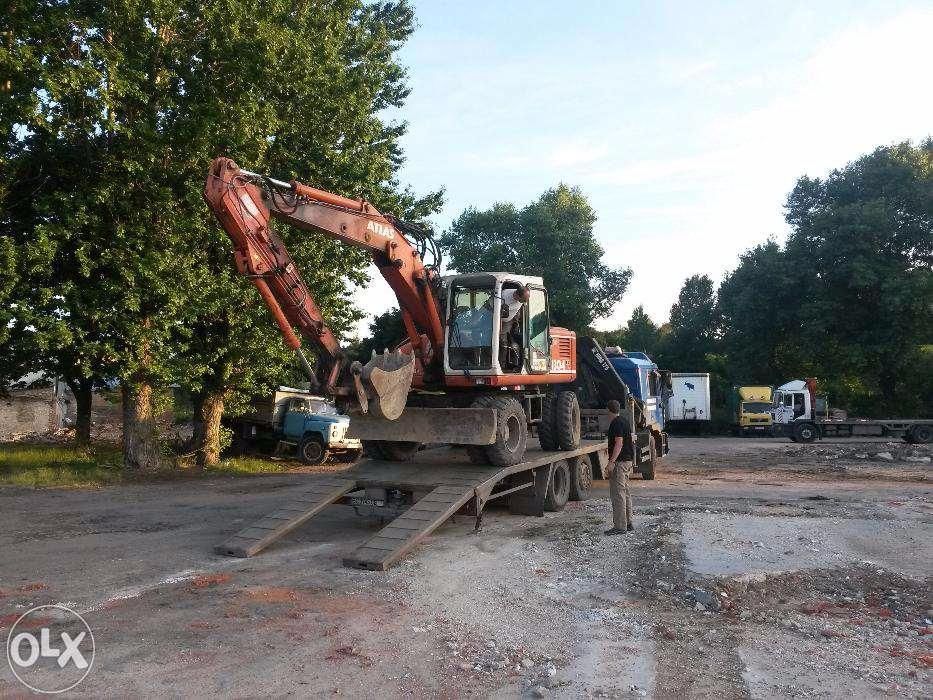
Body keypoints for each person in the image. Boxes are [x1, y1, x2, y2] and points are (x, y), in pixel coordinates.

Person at [604, 399, 634, 536]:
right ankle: (628, 523)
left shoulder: (615, 423)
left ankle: (620, 527)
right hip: (627, 462)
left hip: (620, 464)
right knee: (625, 493)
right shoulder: (624, 421)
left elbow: (619, 443)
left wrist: (611, 462)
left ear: (608, 410)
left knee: (618, 495)